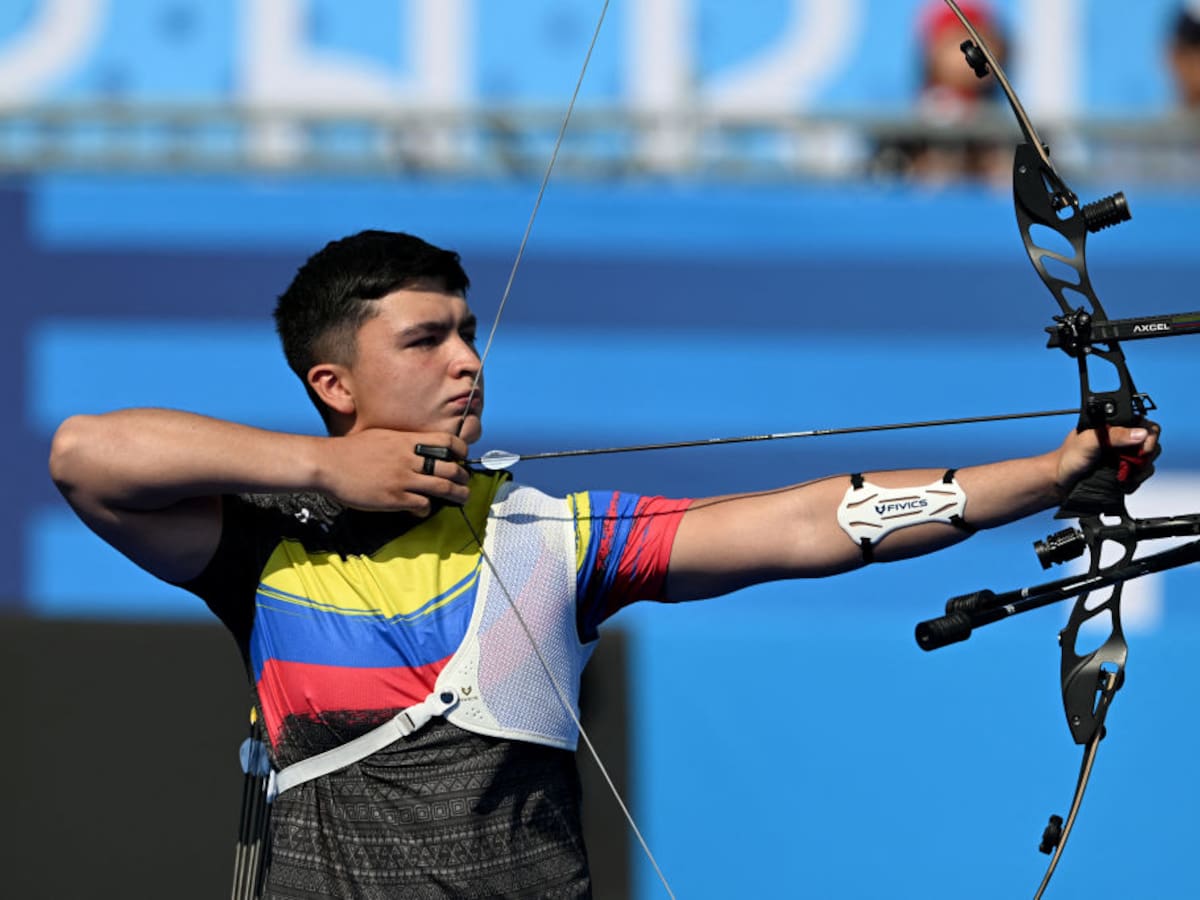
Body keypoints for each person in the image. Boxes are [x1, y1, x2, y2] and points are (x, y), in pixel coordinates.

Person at [48, 229, 1160, 899]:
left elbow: (809, 524)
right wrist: (330, 475)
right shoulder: (262, 542)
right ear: (333, 383)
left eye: (470, 332)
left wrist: (1050, 476)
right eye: (424, 341)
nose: (468, 362)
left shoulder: (548, 529)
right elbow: (85, 453)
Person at [872, 0, 1010, 186]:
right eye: (959, 43)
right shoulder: (908, 127)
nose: (973, 55)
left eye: (984, 43)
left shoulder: (1006, 129)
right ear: (932, 51)